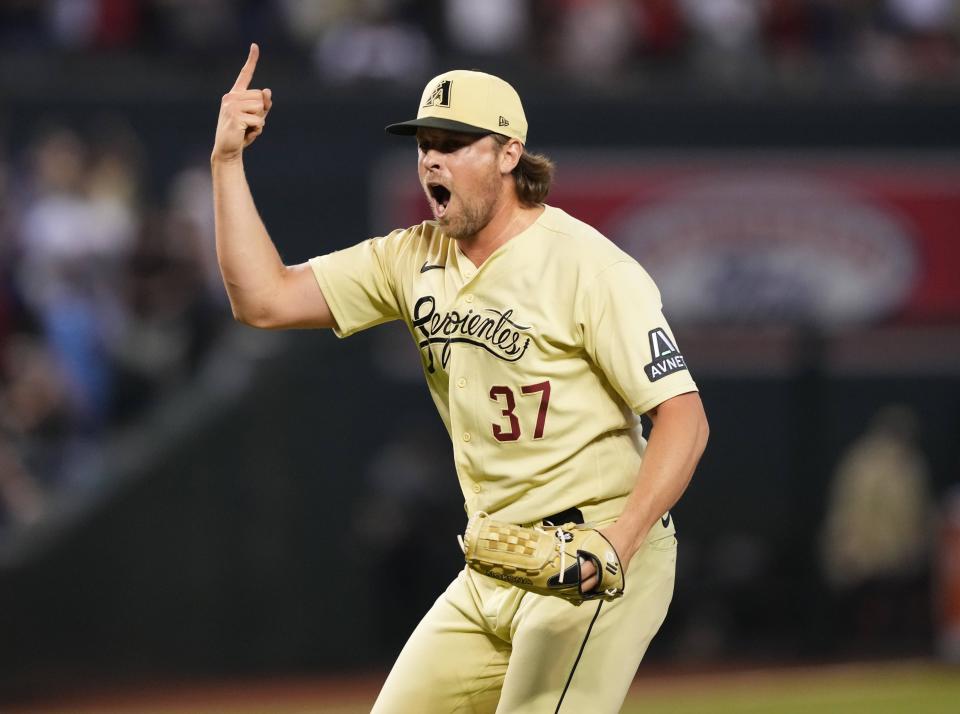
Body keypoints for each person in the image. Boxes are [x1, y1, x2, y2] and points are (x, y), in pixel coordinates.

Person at [212, 43, 709, 713]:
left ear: (509, 153)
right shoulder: (411, 257)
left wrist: (614, 547)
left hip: (595, 549)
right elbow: (263, 299)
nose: (432, 160)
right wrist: (227, 162)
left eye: (454, 142)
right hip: (493, 564)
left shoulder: (589, 267)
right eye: (425, 145)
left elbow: (684, 417)